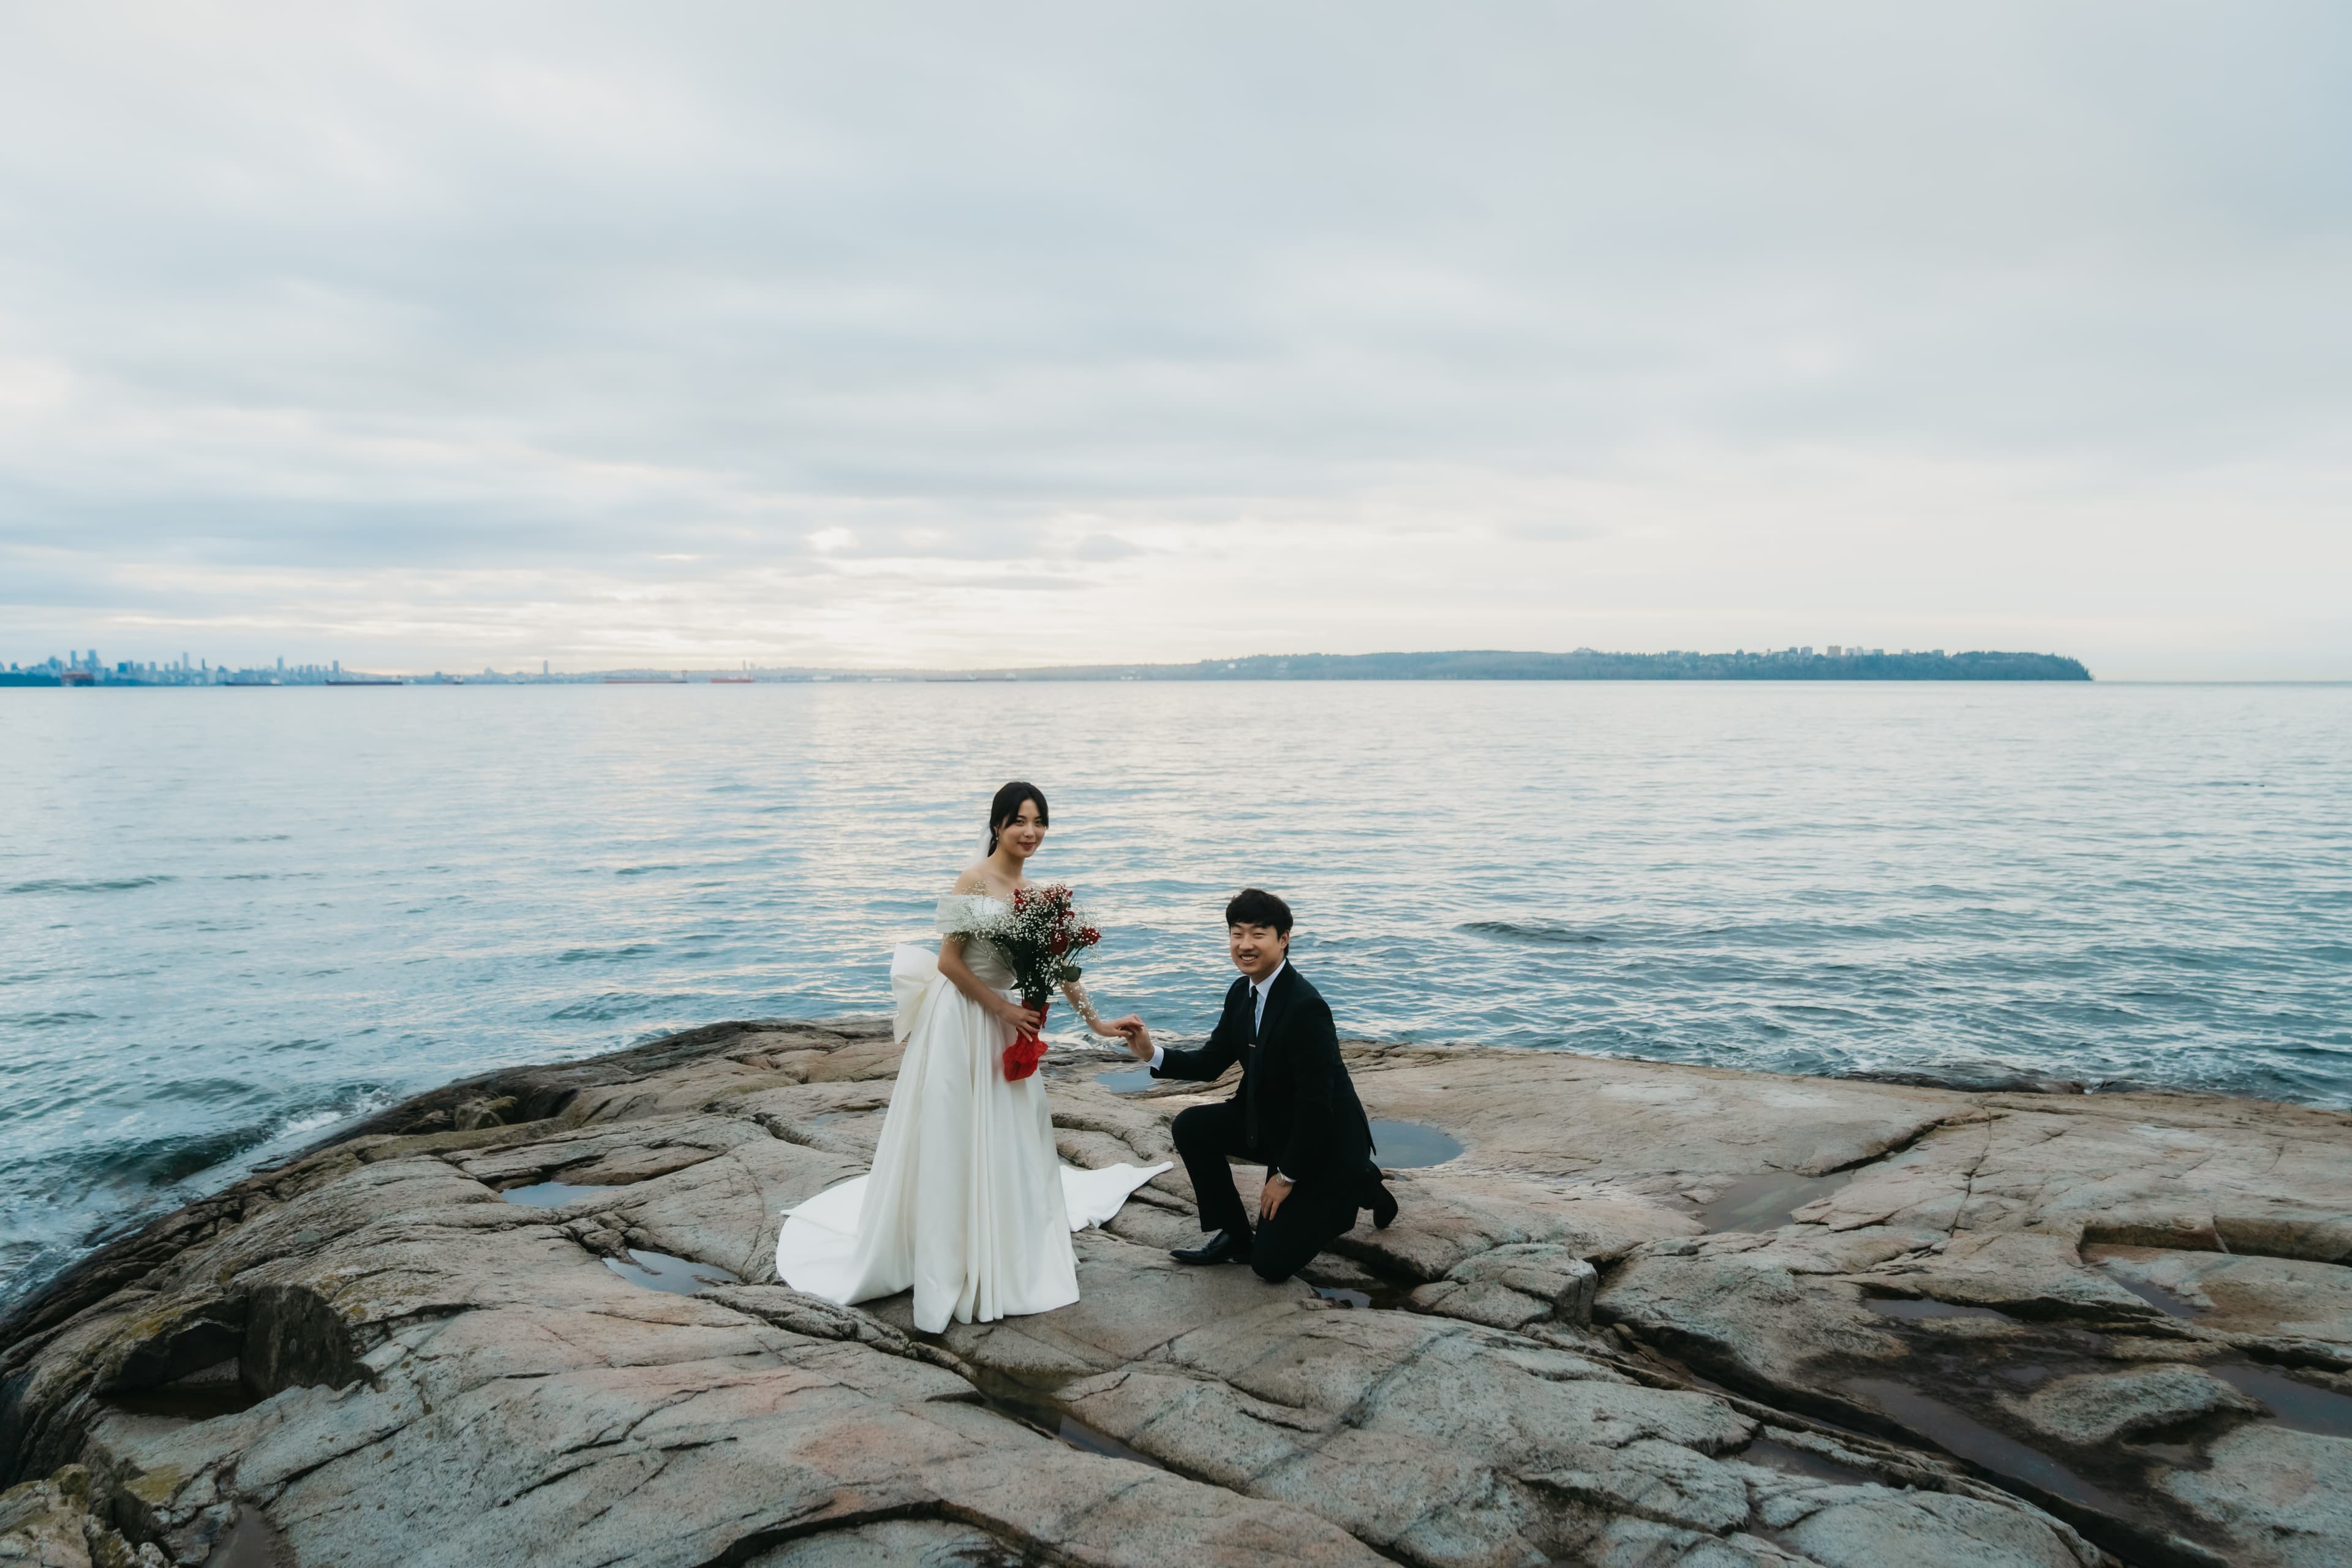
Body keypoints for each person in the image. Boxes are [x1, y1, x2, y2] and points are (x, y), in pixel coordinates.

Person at [774, 782, 1167, 1332]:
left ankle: (1001, 1243)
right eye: (1019, 822)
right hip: (963, 1017)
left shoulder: (1037, 895)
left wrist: (1099, 1025)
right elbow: (949, 964)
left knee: (1014, 1134)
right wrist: (1002, 1011)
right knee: (953, 1130)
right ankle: (946, 1251)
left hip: (1003, 1021)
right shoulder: (973, 881)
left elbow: (1061, 971)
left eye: (1038, 822)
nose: (1030, 832)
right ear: (998, 825)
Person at [1109, 888, 1396, 1284]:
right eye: (1237, 933)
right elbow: (1211, 1063)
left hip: (1322, 1143)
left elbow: (1317, 1106)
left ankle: (1358, 1183)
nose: (1245, 945)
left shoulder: (1305, 1007)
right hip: (1273, 1128)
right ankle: (1234, 1234)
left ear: (1283, 939)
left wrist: (1285, 1178)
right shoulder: (1241, 993)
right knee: (1192, 1125)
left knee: (1271, 1266)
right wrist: (1150, 1052)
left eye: (1258, 934)